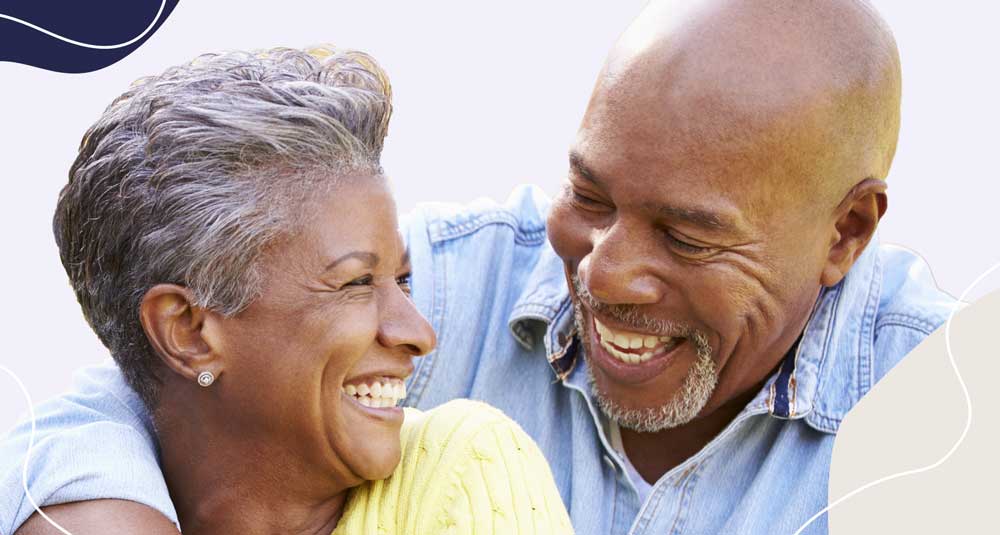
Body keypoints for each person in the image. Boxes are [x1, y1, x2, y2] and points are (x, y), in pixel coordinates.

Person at [2, 0, 956, 533]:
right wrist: (103, 508)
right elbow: (159, 363)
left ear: (847, 231)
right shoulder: (464, 277)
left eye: (688, 235)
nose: (608, 273)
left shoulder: (952, 424)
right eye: (590, 194)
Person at [0, 46, 572, 535]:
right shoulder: (89, 477)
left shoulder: (463, 468)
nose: (419, 334)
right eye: (355, 282)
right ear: (187, 331)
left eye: (401, 279)